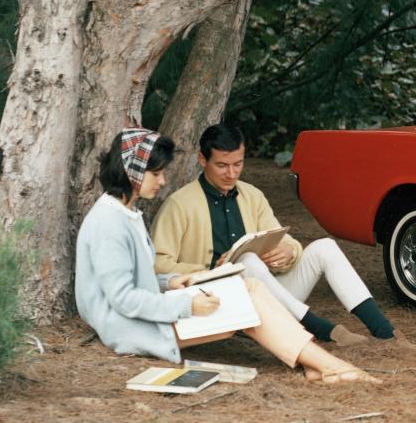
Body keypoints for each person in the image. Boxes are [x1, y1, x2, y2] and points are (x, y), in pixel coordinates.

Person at [75, 128, 376, 384]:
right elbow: (123, 299)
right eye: (156, 173)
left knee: (252, 288)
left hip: (157, 310)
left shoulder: (126, 213)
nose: (163, 181)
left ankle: (316, 364)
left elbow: (142, 280)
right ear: (132, 173)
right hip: (133, 327)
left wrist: (172, 281)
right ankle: (328, 365)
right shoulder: (109, 224)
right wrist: (186, 303)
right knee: (248, 297)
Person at [152, 123, 394, 345]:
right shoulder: (179, 204)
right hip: (218, 301)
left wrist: (287, 251)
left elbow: (282, 237)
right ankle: (319, 328)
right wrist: (209, 268)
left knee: (324, 247)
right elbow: (157, 264)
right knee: (247, 261)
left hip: (269, 297)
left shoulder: (252, 195)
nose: (232, 174)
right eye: (222, 165)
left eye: (238, 164)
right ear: (202, 160)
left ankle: (384, 330)